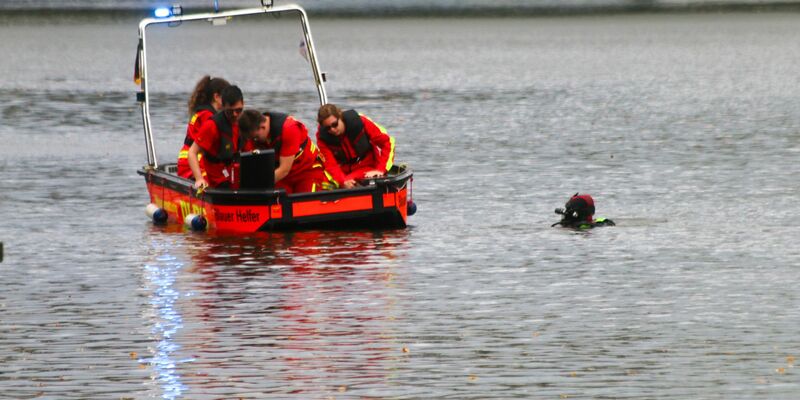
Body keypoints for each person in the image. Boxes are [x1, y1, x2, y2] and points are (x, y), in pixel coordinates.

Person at [237, 109, 336, 194]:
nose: (255, 141)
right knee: (273, 200)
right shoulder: (252, 134)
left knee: (302, 203)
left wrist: (258, 187)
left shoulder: (289, 129)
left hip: (306, 170)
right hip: (283, 175)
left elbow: (284, 169)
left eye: (256, 138)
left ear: (263, 127)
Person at [315, 104, 395, 189]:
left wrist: (380, 169)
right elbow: (330, 164)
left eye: (335, 124)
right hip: (343, 169)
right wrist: (342, 181)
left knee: (349, 181)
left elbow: (387, 142)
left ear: (340, 117)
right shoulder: (322, 138)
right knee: (318, 182)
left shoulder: (360, 122)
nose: (332, 130)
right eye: (328, 128)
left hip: (366, 166)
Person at [187, 85, 245, 189]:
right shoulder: (212, 125)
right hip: (218, 179)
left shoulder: (244, 122)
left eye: (238, 110)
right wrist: (199, 179)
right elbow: (192, 152)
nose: (235, 115)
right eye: (230, 111)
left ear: (243, 104)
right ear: (223, 106)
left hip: (236, 173)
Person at [176, 76, 230, 179]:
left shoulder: (202, 112)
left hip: (187, 161)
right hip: (194, 162)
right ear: (216, 97)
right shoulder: (208, 117)